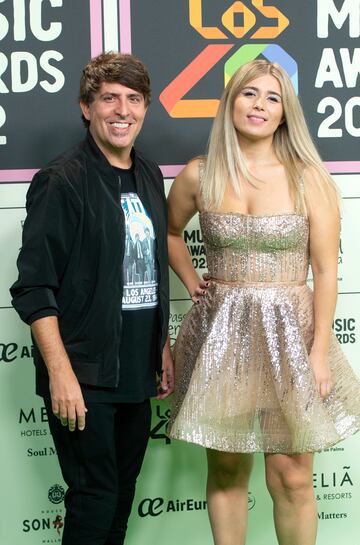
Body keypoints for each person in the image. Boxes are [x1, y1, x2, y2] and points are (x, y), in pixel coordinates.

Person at [167, 59, 360, 545]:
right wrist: (193, 282)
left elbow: (326, 270)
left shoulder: (308, 178)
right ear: (230, 103)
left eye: (272, 98)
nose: (259, 105)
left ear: (284, 114)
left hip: (292, 337)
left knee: (292, 476)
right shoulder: (199, 174)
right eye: (249, 94)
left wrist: (318, 353)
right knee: (229, 471)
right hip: (222, 338)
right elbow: (168, 233)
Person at [10, 52, 174, 545]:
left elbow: (148, 272)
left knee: (122, 496)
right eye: (109, 99)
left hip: (134, 373)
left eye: (134, 99)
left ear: (145, 108)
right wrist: (62, 372)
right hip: (85, 376)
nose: (122, 110)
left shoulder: (147, 174)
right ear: (87, 107)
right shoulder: (62, 180)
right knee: (93, 498)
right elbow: (34, 288)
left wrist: (160, 347)